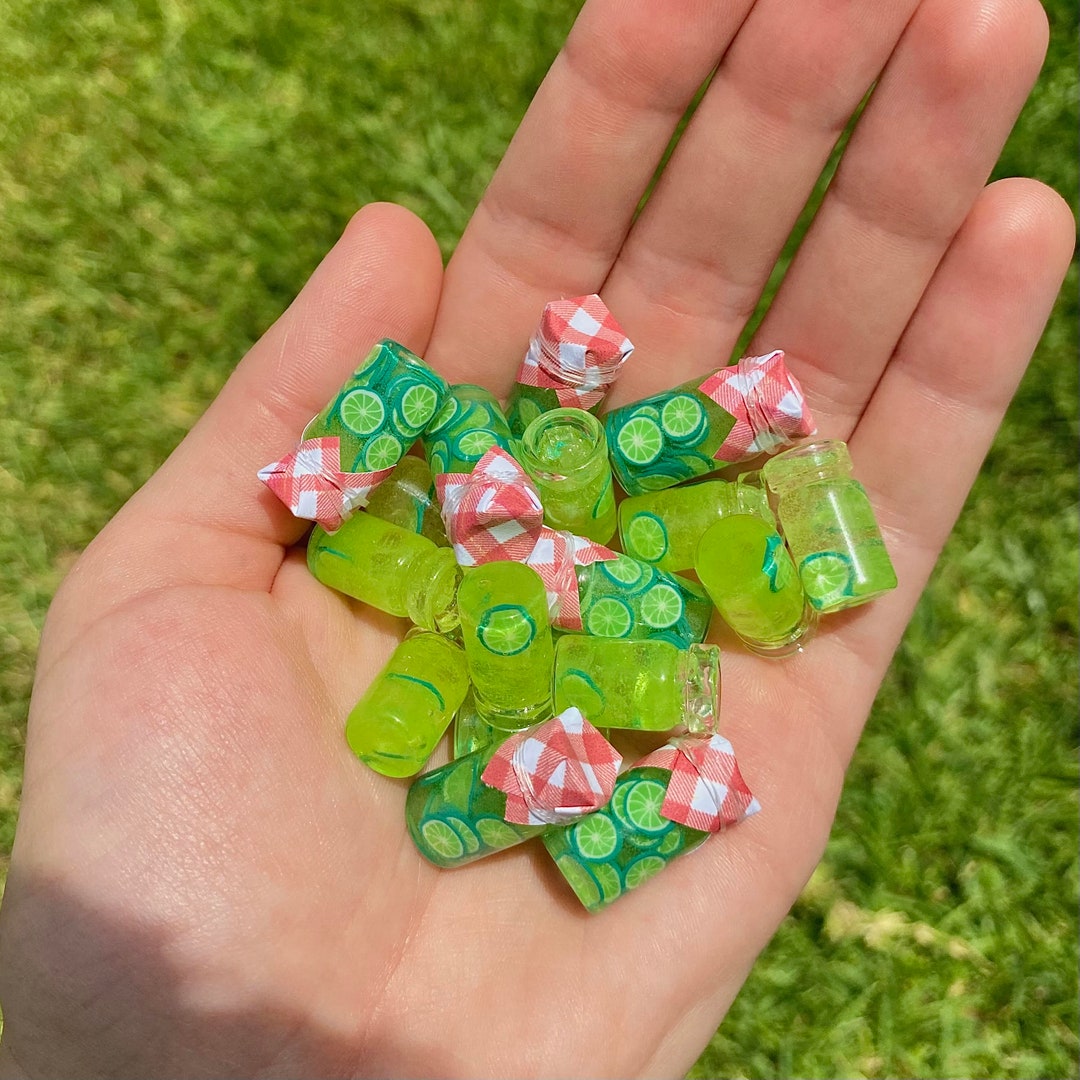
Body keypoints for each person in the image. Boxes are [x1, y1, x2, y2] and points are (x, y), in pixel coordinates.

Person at [0, 0, 1072, 1075]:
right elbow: (442, 623)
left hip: (592, 614)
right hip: (529, 632)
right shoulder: (490, 567)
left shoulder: (588, 550)